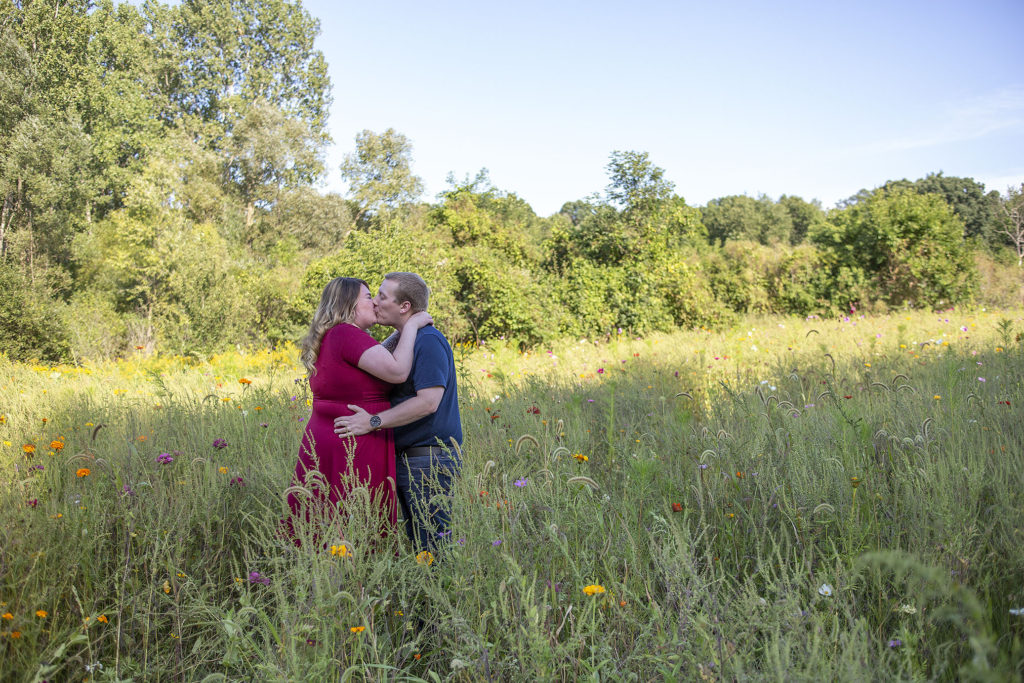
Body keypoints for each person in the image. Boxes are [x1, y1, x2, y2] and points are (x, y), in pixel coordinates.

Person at [287, 277, 432, 543]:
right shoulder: (346, 334)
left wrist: (400, 331)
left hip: (335, 435)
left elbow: (379, 355)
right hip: (353, 440)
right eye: (368, 297)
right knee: (353, 520)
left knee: (331, 520)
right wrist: (411, 325)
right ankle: (352, 582)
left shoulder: (336, 335)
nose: (375, 302)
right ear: (349, 304)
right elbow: (398, 371)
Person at [333, 272, 462, 556]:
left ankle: (440, 599)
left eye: (382, 296)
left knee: (433, 546)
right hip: (407, 459)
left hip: (428, 459)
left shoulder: (428, 341)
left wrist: (373, 422)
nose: (375, 302)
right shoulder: (409, 339)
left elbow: (428, 402)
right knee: (419, 547)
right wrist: (405, 329)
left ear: (404, 306)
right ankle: (424, 599)